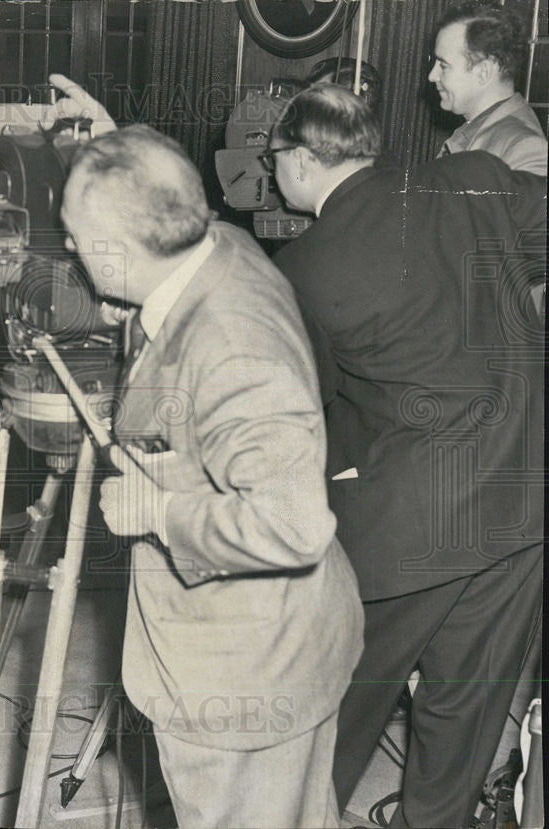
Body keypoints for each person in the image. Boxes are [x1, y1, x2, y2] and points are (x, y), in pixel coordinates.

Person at [55, 80, 365, 827]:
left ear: (121, 252)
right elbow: (168, 198)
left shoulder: (233, 351)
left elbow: (293, 524)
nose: (65, 246)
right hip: (274, 643)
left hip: (247, 681)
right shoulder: (215, 241)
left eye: (73, 235)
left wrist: (157, 508)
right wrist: (115, 147)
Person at [267, 85, 545, 828]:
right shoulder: (467, 178)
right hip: (522, 500)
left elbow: (309, 415)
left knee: (340, 699)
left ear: (297, 160)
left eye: (272, 160)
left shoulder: (304, 267)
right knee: (464, 711)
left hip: (408, 525)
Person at [429, 0, 547, 174]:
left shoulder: (524, 151)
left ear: (483, 72)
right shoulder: (474, 129)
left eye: (444, 65)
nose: (432, 76)